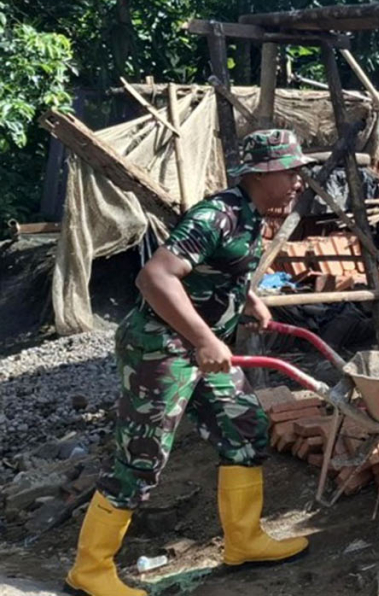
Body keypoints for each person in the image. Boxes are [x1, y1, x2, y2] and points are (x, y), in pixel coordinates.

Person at [66, 130, 313, 596]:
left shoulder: (249, 215)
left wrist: (249, 300)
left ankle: (244, 541)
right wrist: (204, 338)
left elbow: (216, 270)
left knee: (245, 429)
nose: (299, 180)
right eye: (291, 170)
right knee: (141, 458)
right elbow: (154, 276)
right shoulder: (215, 214)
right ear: (262, 173)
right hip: (161, 347)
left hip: (198, 348)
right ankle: (90, 569)